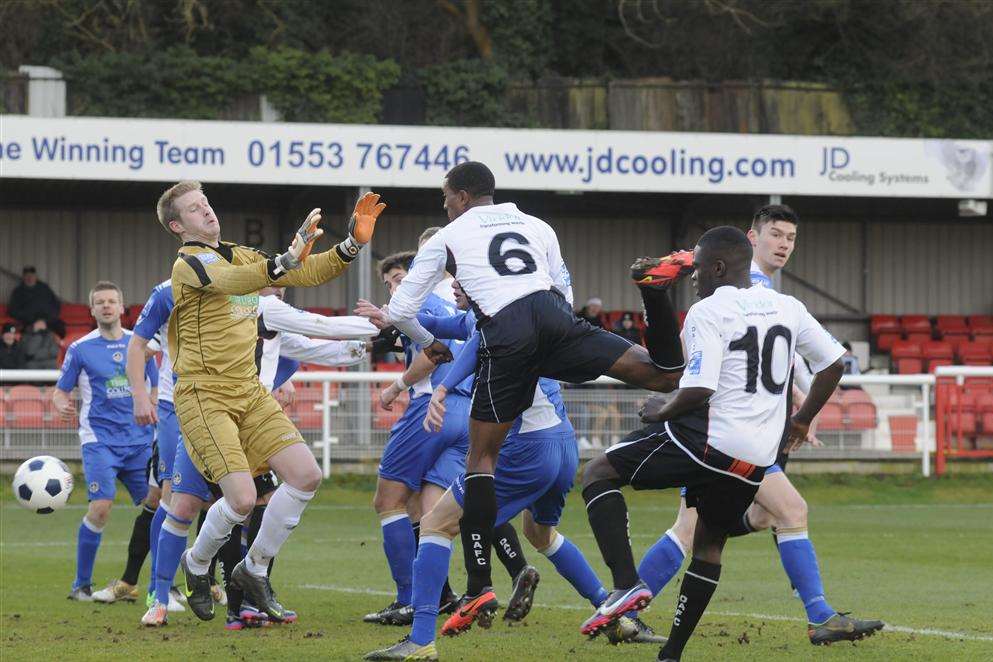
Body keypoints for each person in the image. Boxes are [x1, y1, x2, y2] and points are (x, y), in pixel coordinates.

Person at [383, 161, 688, 627]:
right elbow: (562, 294)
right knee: (663, 374)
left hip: (506, 333)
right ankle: (653, 294)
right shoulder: (537, 224)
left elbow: (402, 308)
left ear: (462, 196)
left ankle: (478, 587)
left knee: (480, 461)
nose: (444, 205)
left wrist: (429, 344)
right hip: (555, 320)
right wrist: (549, 350)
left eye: (445, 197)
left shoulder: (448, 236)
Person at [580, 226, 848, 660]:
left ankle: (626, 584)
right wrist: (801, 420)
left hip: (708, 442)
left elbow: (698, 388)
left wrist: (660, 409)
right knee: (708, 544)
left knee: (598, 474)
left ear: (718, 268)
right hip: (757, 457)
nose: (695, 278)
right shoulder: (788, 306)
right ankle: (671, 653)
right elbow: (834, 365)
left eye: (699, 270)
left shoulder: (709, 310)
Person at [363, 281, 656, 661]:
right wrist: (394, 317)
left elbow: (467, 342)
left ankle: (421, 638)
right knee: (540, 533)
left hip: (527, 448)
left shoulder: (498, 324)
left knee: (435, 524)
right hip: (562, 444)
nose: (455, 282)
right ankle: (615, 613)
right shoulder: (511, 316)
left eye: (464, 274)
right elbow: (448, 325)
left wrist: (441, 388)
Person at [638, 205, 883, 646]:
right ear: (752, 237)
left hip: (737, 430)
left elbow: (785, 359)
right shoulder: (739, 287)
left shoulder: (761, 290)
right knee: (787, 512)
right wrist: (801, 410)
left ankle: (625, 605)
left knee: (708, 526)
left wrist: (801, 405)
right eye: (775, 234)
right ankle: (820, 615)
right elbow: (721, 362)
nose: (784, 244)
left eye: (791, 237)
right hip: (727, 433)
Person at [153, 180, 385, 625]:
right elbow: (236, 281)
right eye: (195, 209)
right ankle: (197, 564)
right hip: (204, 392)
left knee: (305, 475)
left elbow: (305, 272)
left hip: (248, 390)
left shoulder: (241, 252)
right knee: (239, 500)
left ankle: (254, 569)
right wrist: (283, 260)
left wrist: (352, 245)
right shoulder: (189, 264)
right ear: (178, 225)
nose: (208, 212)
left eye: (207, 204)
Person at [52, 281, 158, 601]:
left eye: (112, 301)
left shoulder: (140, 345)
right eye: (101, 302)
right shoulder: (80, 349)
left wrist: (152, 406)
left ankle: (157, 585)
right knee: (100, 507)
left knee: (157, 510)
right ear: (92, 309)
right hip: (100, 441)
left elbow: (154, 386)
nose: (107, 306)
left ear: (122, 307)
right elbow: (61, 391)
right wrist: (61, 404)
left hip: (140, 442)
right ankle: (81, 585)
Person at [8, 265, 62, 335]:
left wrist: (45, 321)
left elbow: (56, 305)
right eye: (27, 276)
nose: (30, 278)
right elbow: (13, 311)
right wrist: (33, 321)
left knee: (60, 328)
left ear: (35, 276)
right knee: (32, 334)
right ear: (23, 277)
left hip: (47, 321)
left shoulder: (44, 288)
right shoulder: (18, 292)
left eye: (32, 275)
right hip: (29, 322)